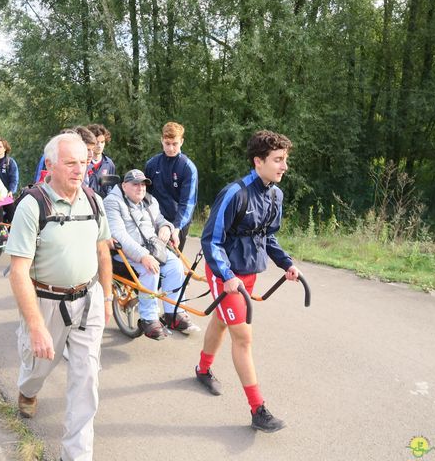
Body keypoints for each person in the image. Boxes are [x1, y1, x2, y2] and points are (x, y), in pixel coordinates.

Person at [5, 132, 112, 461]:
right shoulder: (32, 205)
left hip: (88, 301)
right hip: (45, 302)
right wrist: (36, 326)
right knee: (38, 368)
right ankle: (28, 390)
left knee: (86, 379)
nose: (79, 169)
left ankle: (75, 456)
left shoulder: (94, 200)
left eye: (83, 162)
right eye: (70, 163)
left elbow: (103, 252)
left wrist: (106, 298)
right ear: (50, 165)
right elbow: (19, 271)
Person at [195, 130, 301, 433]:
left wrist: (287, 263)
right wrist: (226, 276)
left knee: (222, 321)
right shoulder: (235, 193)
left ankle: (202, 369)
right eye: (278, 160)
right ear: (258, 161)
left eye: (285, 160)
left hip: (250, 274)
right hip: (226, 275)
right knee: (243, 337)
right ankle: (258, 409)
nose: (284, 166)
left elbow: (268, 236)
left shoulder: (276, 195)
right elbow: (211, 240)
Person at [104, 169, 198, 339]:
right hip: (125, 253)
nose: (140, 188)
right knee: (151, 269)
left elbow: (161, 219)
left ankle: (173, 313)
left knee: (175, 265)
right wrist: (143, 256)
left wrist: (166, 228)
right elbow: (119, 235)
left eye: (143, 184)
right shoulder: (112, 202)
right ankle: (149, 319)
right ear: (124, 186)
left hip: (152, 248)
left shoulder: (150, 201)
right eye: (135, 184)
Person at [145, 122, 198, 252]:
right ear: (162, 141)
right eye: (167, 144)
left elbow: (187, 203)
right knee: (153, 258)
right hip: (156, 219)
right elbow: (145, 195)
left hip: (177, 221)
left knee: (173, 260)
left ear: (182, 142)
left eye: (175, 144)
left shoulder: (188, 168)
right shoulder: (152, 164)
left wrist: (176, 227)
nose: (171, 148)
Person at [86, 124, 116, 197]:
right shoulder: (83, 163)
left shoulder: (109, 164)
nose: (99, 145)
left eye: (102, 142)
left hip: (104, 204)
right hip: (86, 203)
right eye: (97, 142)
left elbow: (112, 188)